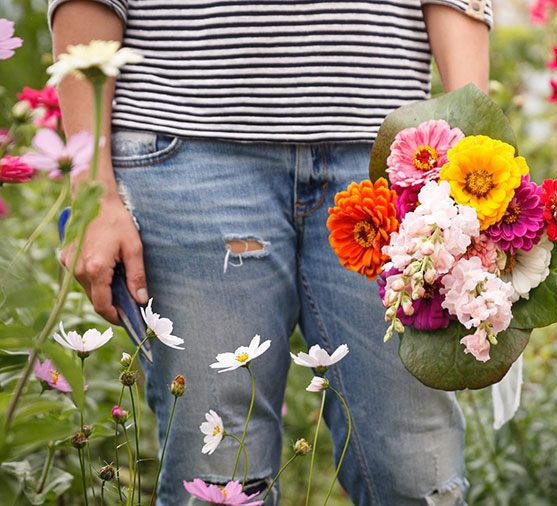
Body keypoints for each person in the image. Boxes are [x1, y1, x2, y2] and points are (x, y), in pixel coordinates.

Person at [49, 0, 492, 504]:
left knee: (419, 476)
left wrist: (471, 151)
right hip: (189, 152)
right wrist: (94, 190)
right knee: (219, 480)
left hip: (395, 156)